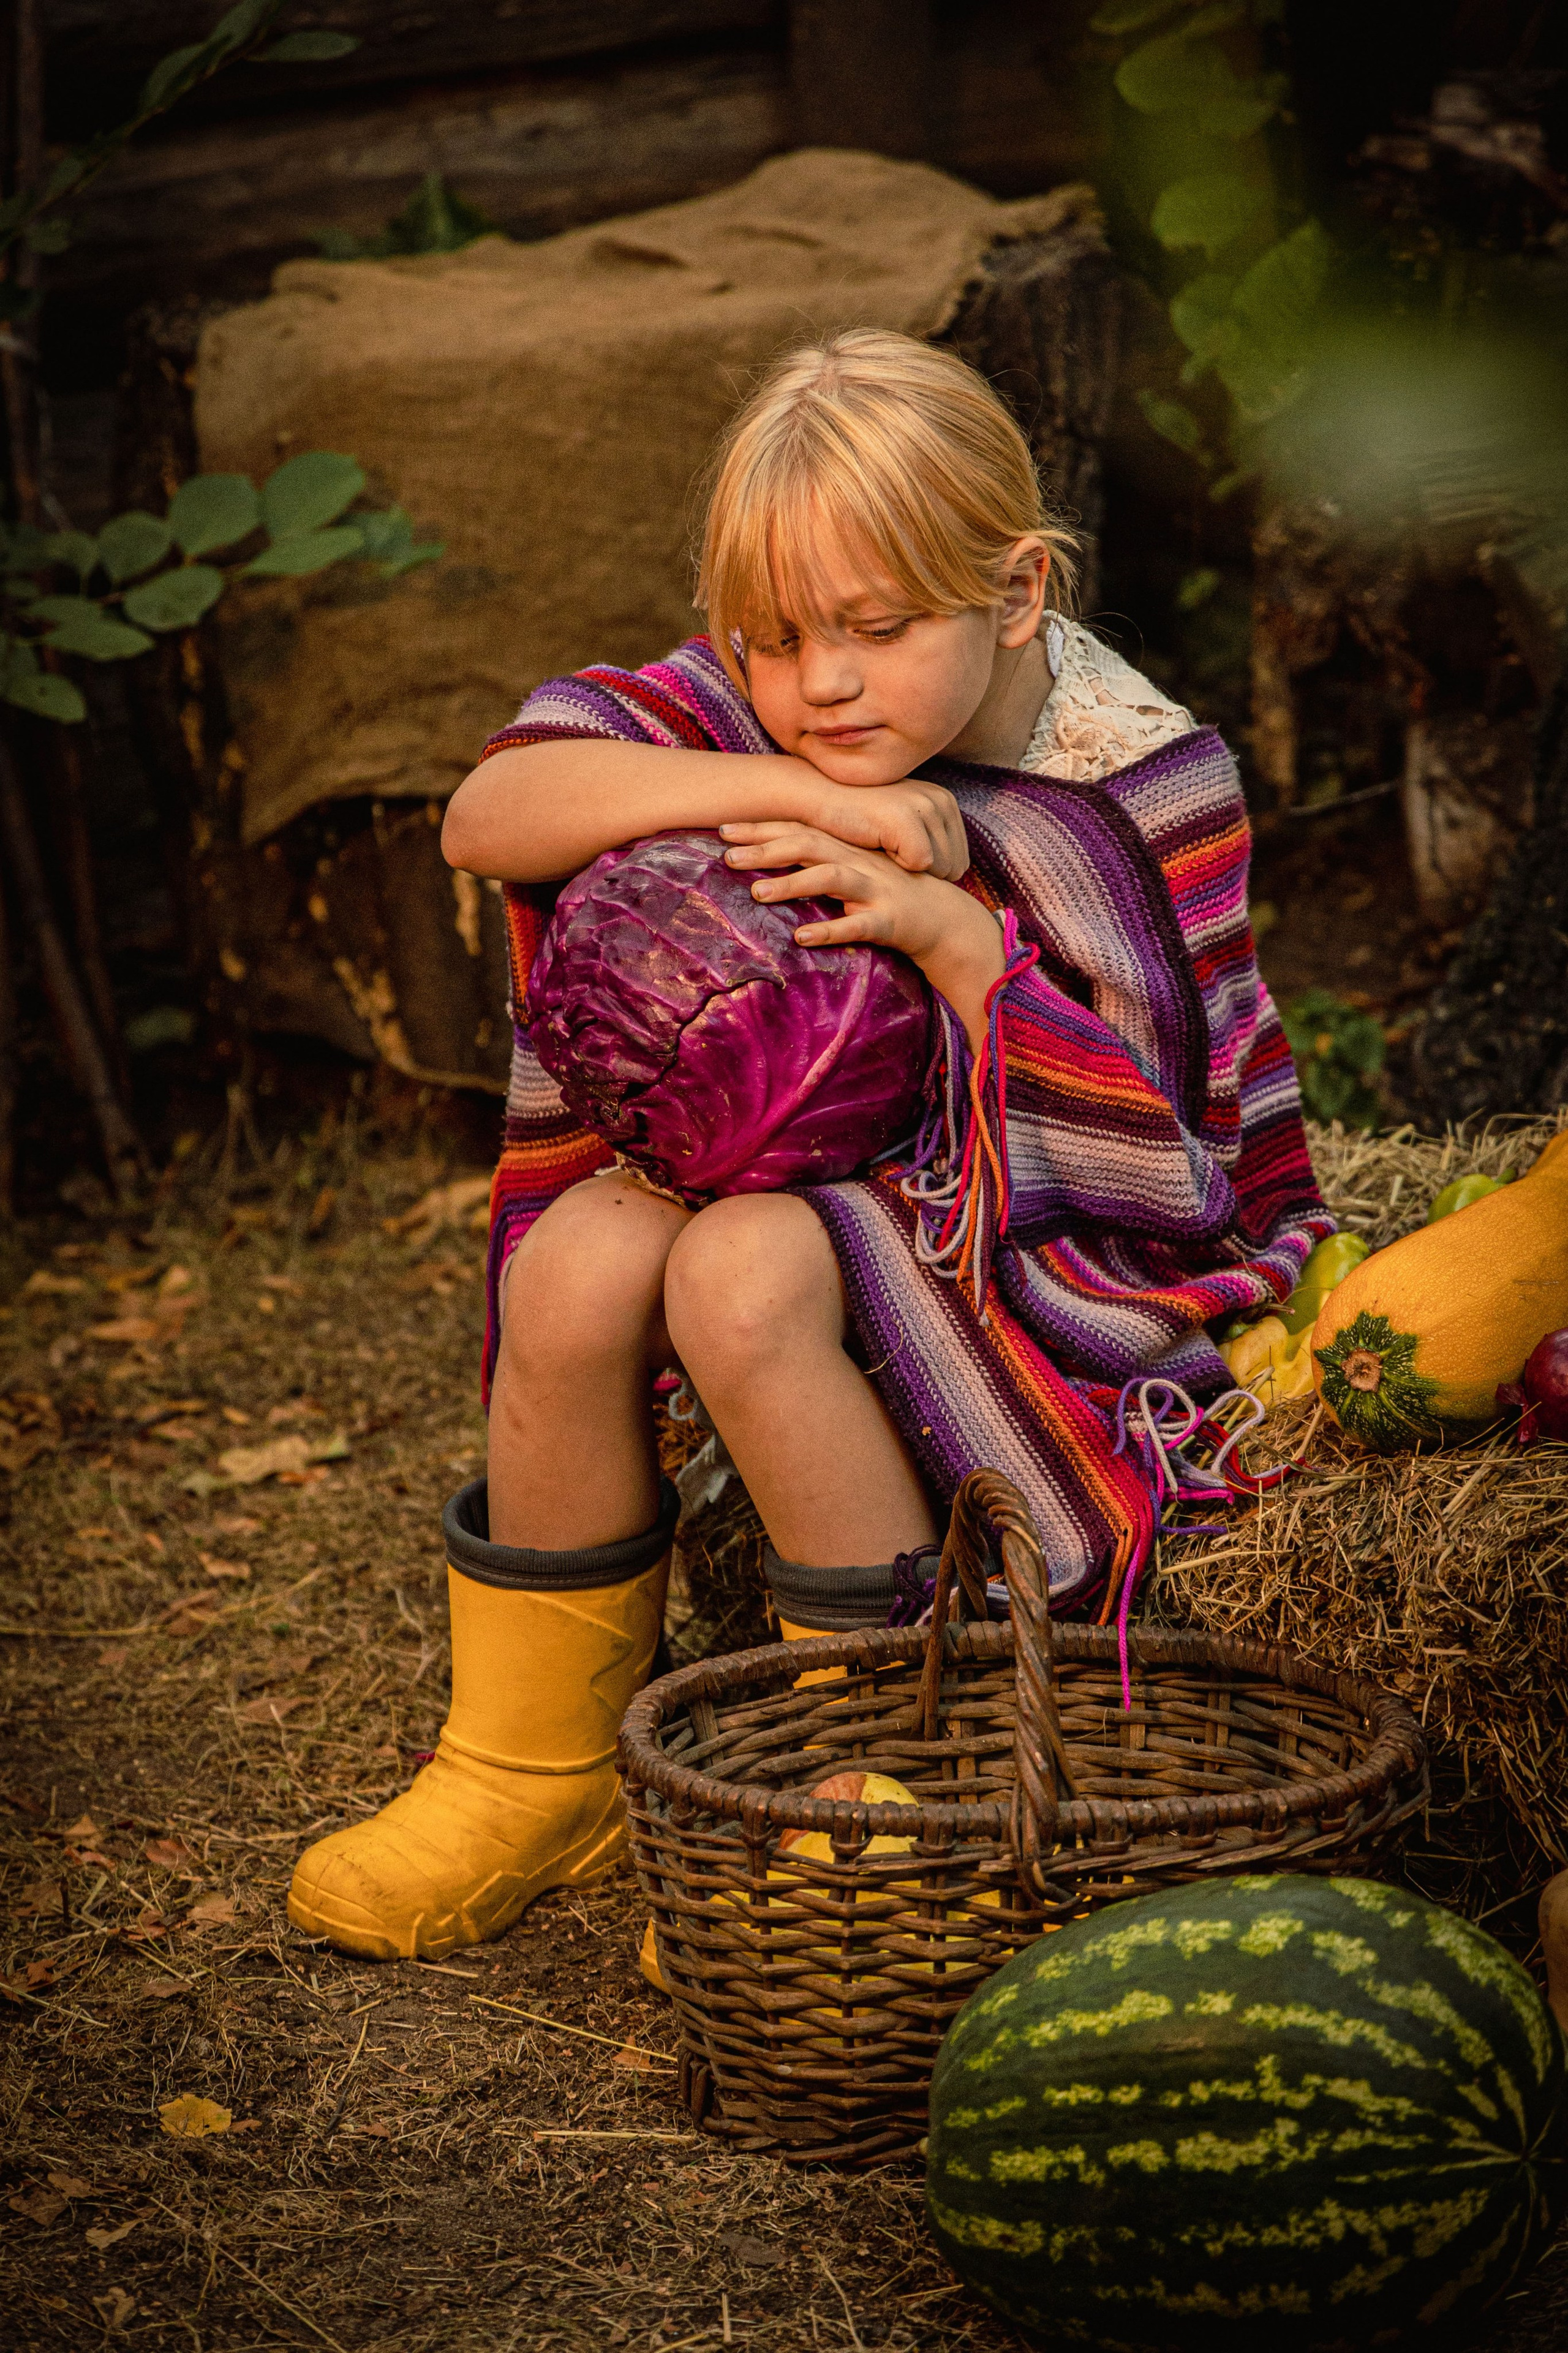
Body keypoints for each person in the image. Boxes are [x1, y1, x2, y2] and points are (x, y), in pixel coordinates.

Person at [287, 330, 1332, 1963]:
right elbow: (486, 818)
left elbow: (1163, 1131)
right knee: (575, 1268)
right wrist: (799, 788)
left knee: (745, 1268)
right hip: (780, 1134)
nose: (822, 681)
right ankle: (529, 1765)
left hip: (1025, 1202)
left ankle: (872, 1767)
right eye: (774, 639)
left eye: (874, 629)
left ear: (1017, 590)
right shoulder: (767, 712)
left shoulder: (1134, 771)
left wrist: (949, 927)